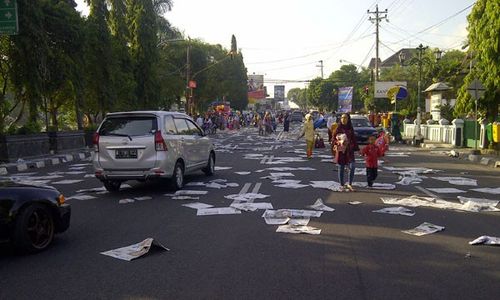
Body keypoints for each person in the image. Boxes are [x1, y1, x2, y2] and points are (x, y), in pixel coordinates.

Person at [332, 113, 359, 191]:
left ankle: (350, 184)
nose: (343, 119)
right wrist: (339, 142)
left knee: (352, 166)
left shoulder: (350, 128)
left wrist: (357, 149)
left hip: (350, 151)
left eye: (345, 118)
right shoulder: (338, 128)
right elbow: (333, 139)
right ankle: (342, 184)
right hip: (341, 151)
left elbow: (353, 139)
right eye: (342, 118)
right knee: (341, 167)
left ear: (348, 119)